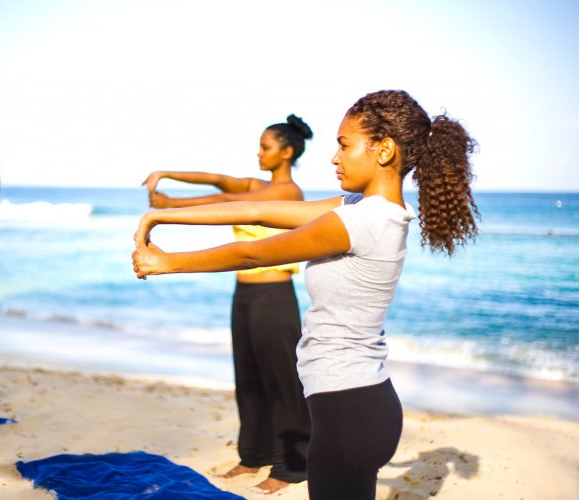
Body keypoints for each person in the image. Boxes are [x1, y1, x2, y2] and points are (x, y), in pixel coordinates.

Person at [133, 90, 479, 499]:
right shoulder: (362, 209)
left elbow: (252, 252)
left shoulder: (361, 222)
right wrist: (164, 215)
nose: (334, 158)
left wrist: (166, 262)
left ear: (384, 150)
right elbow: (257, 211)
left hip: (348, 411)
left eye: (344, 145)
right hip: (360, 403)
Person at [141, 115, 313, 493]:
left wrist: (169, 206)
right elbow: (218, 180)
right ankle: (253, 456)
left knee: (281, 383)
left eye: (265, 147)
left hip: (275, 298)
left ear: (286, 152)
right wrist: (165, 173)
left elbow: (229, 202)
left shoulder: (289, 193)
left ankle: (290, 468)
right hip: (245, 295)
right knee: (248, 380)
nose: (259, 153)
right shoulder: (257, 185)